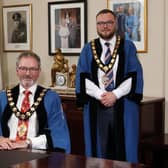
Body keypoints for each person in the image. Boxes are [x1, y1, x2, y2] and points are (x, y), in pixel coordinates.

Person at [75, 9, 143, 163]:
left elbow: (134, 75)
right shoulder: (88, 49)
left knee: (123, 149)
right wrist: (101, 95)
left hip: (122, 106)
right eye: (100, 23)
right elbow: (82, 77)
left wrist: (115, 95)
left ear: (115, 24)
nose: (104, 26)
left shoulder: (127, 46)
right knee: (99, 151)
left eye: (108, 22)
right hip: (96, 106)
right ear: (97, 26)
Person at [0, 51, 70, 153]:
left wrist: (28, 142)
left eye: (33, 69)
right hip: (6, 152)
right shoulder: (3, 97)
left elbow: (58, 134)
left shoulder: (51, 98)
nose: (28, 73)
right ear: (17, 70)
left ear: (39, 71)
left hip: (36, 154)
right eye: (23, 68)